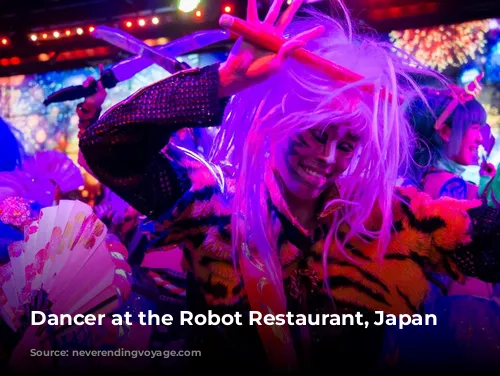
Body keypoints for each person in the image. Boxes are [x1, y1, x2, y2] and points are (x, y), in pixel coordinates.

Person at [79, 0, 500, 373]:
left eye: (347, 143)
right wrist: (223, 83)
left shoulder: (384, 222)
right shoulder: (212, 210)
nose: (329, 157)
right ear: (283, 122)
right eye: (318, 134)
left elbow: (485, 239)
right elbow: (107, 148)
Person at [385, 79, 500, 372]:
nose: (482, 137)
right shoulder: (448, 185)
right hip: (461, 311)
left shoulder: (440, 180)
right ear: (445, 131)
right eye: (475, 127)